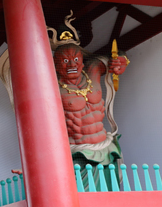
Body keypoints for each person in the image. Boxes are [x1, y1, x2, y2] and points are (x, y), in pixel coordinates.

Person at [54, 41, 129, 170]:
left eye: (76, 59)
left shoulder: (92, 70)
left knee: (111, 189)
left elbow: (115, 57)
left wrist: (121, 61)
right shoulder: (52, 87)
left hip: (106, 148)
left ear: (82, 61)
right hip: (77, 155)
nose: (72, 64)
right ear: (56, 65)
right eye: (65, 61)